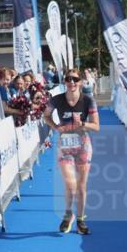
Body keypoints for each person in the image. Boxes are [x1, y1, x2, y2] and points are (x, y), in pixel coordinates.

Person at [44, 68, 100, 235]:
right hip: (65, 145)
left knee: (81, 186)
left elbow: (96, 126)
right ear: (65, 82)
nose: (72, 82)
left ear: (81, 82)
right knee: (70, 184)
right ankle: (68, 215)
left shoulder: (88, 101)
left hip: (83, 145)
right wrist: (55, 126)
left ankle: (81, 220)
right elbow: (46, 116)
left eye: (75, 79)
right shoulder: (56, 100)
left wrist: (82, 124)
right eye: (69, 79)